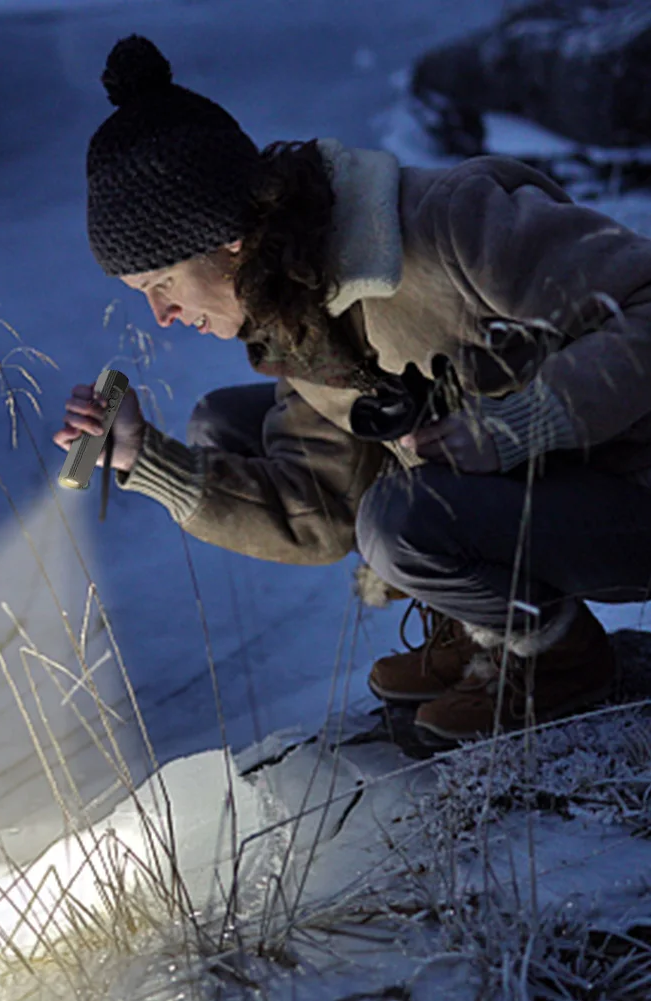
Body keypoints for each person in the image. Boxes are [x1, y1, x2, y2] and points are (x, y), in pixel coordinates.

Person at [52, 35, 651, 745]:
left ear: (230, 241)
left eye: (160, 284)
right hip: (560, 500)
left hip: (633, 492)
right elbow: (326, 510)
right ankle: (478, 623)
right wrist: (142, 459)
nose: (161, 315)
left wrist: (519, 422)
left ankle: (554, 657)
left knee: (405, 514)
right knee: (226, 421)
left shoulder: (450, 222)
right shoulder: (296, 308)